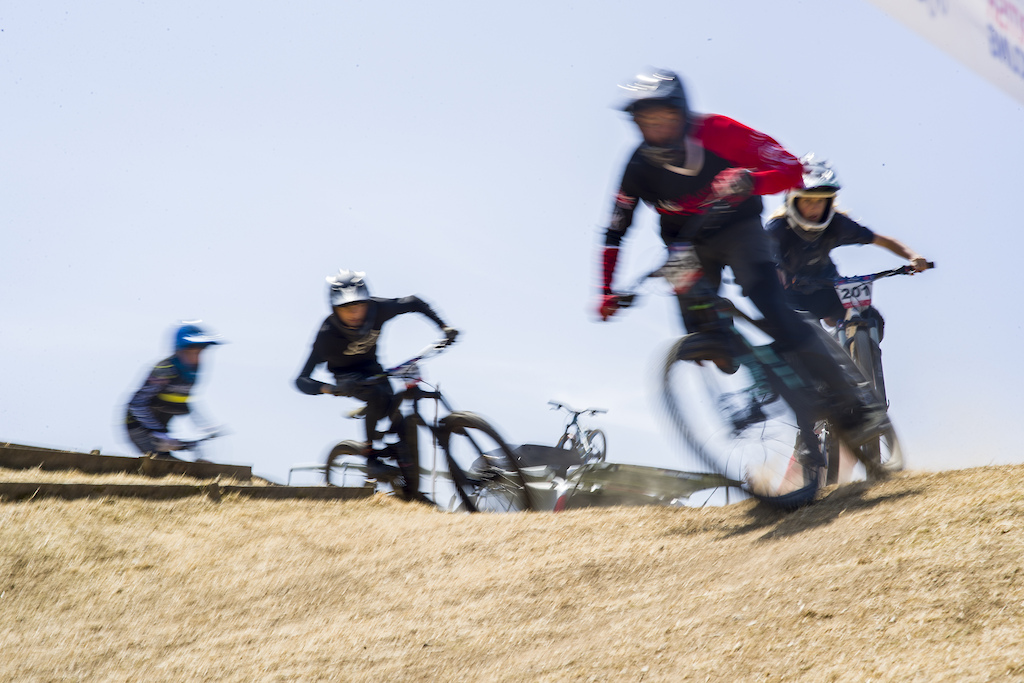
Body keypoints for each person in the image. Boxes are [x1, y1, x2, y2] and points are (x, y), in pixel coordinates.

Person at [596, 68, 886, 447]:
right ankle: (760, 369)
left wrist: (751, 180)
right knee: (704, 335)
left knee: (769, 303)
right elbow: (615, 231)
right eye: (644, 119)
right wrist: (605, 289)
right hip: (684, 244)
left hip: (739, 229)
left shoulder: (718, 133)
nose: (655, 126)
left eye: (663, 116)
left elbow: (792, 169)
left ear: (682, 112)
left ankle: (854, 406)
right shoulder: (637, 167)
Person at [294, 269, 458, 478]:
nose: (354, 313)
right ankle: (371, 457)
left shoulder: (378, 309)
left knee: (396, 410)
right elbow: (301, 380)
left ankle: (408, 469)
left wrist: (444, 327)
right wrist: (332, 389)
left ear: (367, 302)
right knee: (377, 397)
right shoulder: (327, 334)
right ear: (334, 309)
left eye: (359, 305)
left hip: (373, 368)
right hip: (347, 378)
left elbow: (414, 302)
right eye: (345, 308)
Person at [766, 155, 930, 327]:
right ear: (793, 202)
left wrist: (913, 256)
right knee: (808, 336)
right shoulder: (777, 229)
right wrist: (775, 274)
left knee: (871, 319)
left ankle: (856, 347)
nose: (815, 207)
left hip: (829, 287)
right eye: (807, 200)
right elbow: (761, 260)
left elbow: (884, 241)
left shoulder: (838, 224)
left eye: (821, 201)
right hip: (793, 298)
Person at [125, 322, 223, 459]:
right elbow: (137, 404)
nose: (197, 357)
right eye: (192, 352)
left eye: (200, 352)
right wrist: (158, 432)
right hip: (139, 427)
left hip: (162, 427)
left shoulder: (191, 374)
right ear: (180, 350)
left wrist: (205, 426)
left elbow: (182, 403)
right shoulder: (165, 370)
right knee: (164, 465)